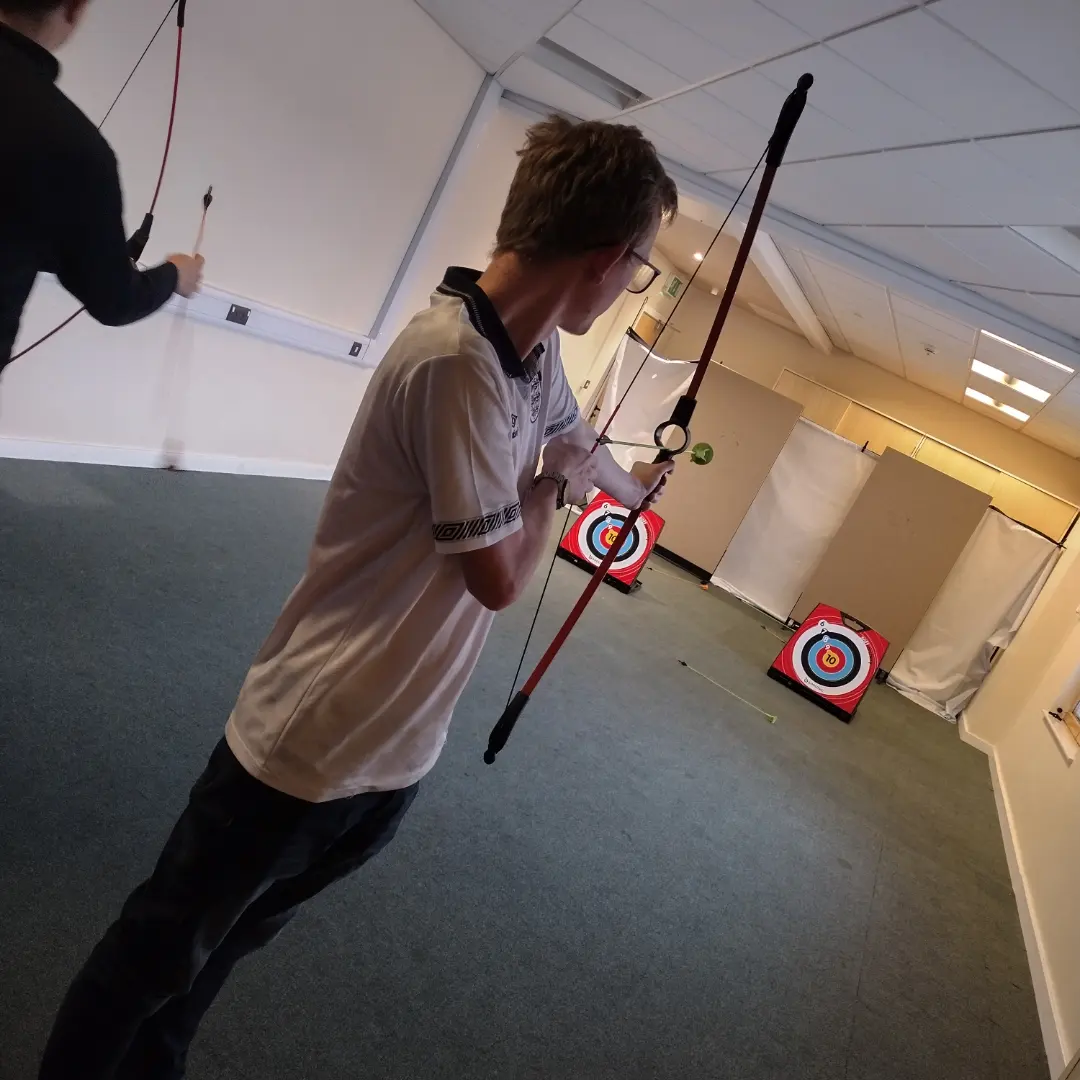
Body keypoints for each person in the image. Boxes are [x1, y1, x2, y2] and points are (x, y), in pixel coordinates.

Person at [38, 115, 679, 1080]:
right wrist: (551, 488)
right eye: (641, 263)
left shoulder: (533, 353)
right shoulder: (453, 362)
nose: (636, 280)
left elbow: (576, 441)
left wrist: (637, 485)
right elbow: (500, 577)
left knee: (214, 963)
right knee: (157, 957)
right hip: (309, 744)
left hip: (390, 753)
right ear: (603, 256)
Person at [0, 0, 203, 373]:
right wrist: (175, 273)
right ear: (75, 8)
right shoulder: (69, 144)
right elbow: (115, 301)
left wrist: (93, 252)